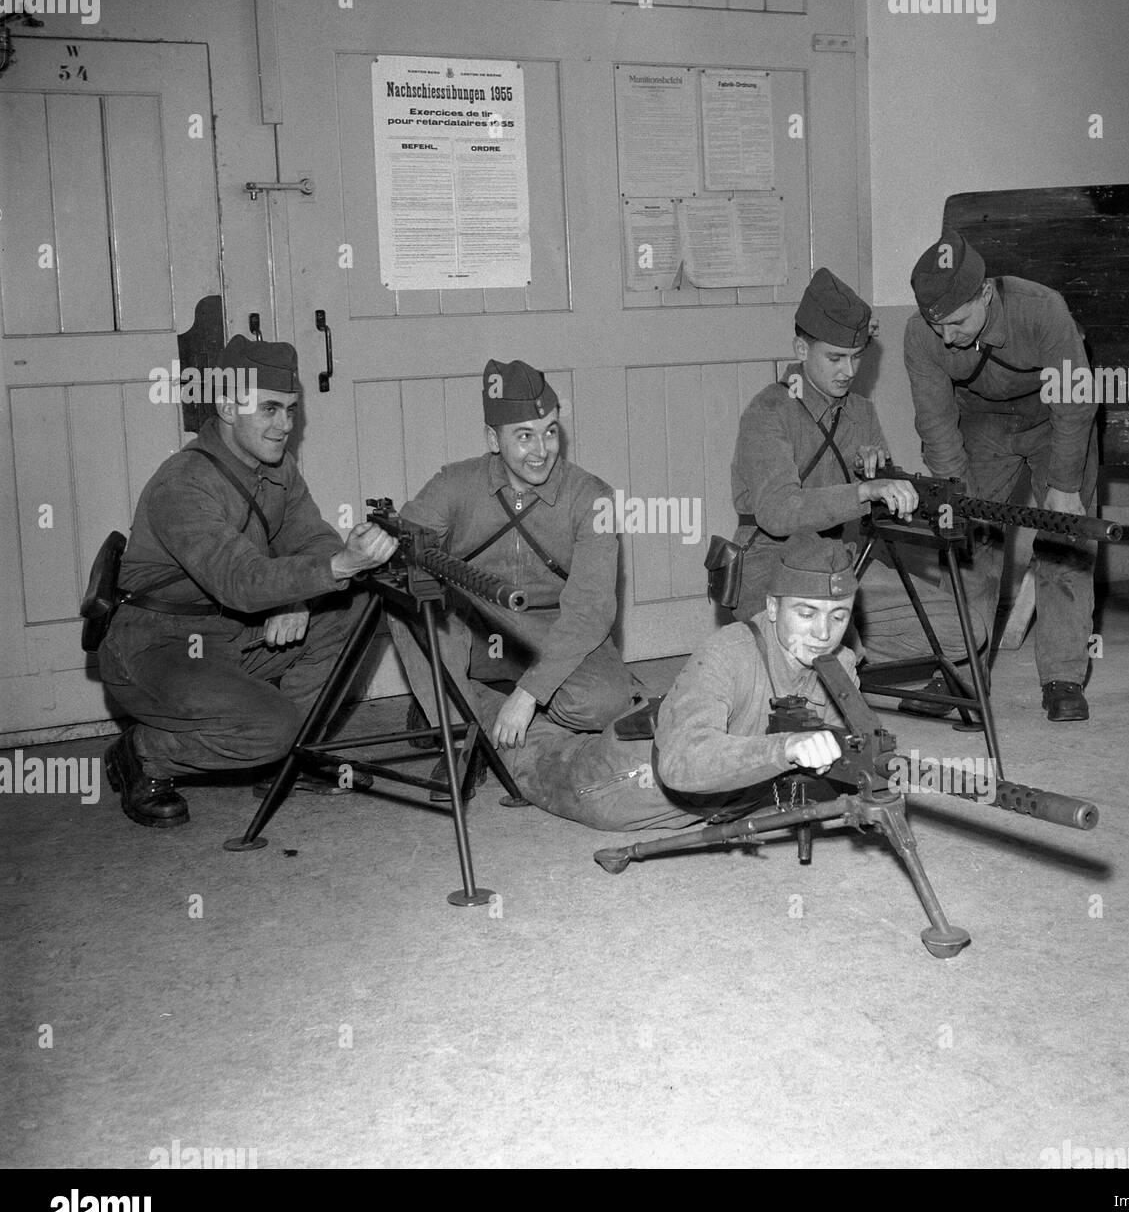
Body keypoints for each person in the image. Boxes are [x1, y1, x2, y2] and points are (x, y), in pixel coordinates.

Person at [99, 336, 398, 828]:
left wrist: (305, 591)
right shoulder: (184, 483)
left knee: (359, 604)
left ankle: (292, 758)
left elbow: (312, 538)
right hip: (157, 646)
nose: (285, 425)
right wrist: (336, 568)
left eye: (292, 410)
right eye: (270, 409)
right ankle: (144, 753)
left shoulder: (278, 468)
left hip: (233, 633)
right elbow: (239, 580)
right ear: (225, 406)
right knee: (270, 727)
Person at [729, 266, 988, 712]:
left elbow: (876, 511)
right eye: (834, 358)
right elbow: (779, 512)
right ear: (800, 348)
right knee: (815, 676)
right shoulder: (769, 412)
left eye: (857, 356)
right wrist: (863, 492)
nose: (849, 371)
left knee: (966, 631)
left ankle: (835, 660)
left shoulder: (860, 412)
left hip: (842, 561)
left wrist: (891, 483)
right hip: (773, 562)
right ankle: (805, 661)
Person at [498, 535, 871, 830]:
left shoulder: (840, 665)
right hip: (627, 782)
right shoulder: (732, 650)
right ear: (773, 608)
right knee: (521, 751)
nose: (824, 633)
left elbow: (844, 751)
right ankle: (487, 693)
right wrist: (784, 748)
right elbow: (679, 763)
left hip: (722, 801)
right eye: (806, 614)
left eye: (839, 616)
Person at [392, 359, 635, 757]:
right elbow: (405, 540)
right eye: (524, 436)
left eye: (550, 432)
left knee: (605, 703)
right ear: (493, 439)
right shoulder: (454, 483)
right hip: (472, 626)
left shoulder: (592, 498)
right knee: (407, 594)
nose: (541, 451)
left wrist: (527, 695)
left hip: (551, 628)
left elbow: (590, 612)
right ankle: (456, 724)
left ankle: (455, 704)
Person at [903, 229, 1100, 721]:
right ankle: (962, 669)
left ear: (985, 293)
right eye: (937, 325)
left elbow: (1074, 402)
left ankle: (1063, 676)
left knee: (1065, 541)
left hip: (1054, 417)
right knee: (969, 539)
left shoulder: (1043, 310)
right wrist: (954, 493)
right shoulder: (920, 335)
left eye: (957, 321)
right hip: (984, 420)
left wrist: (1066, 487)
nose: (947, 337)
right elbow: (935, 420)